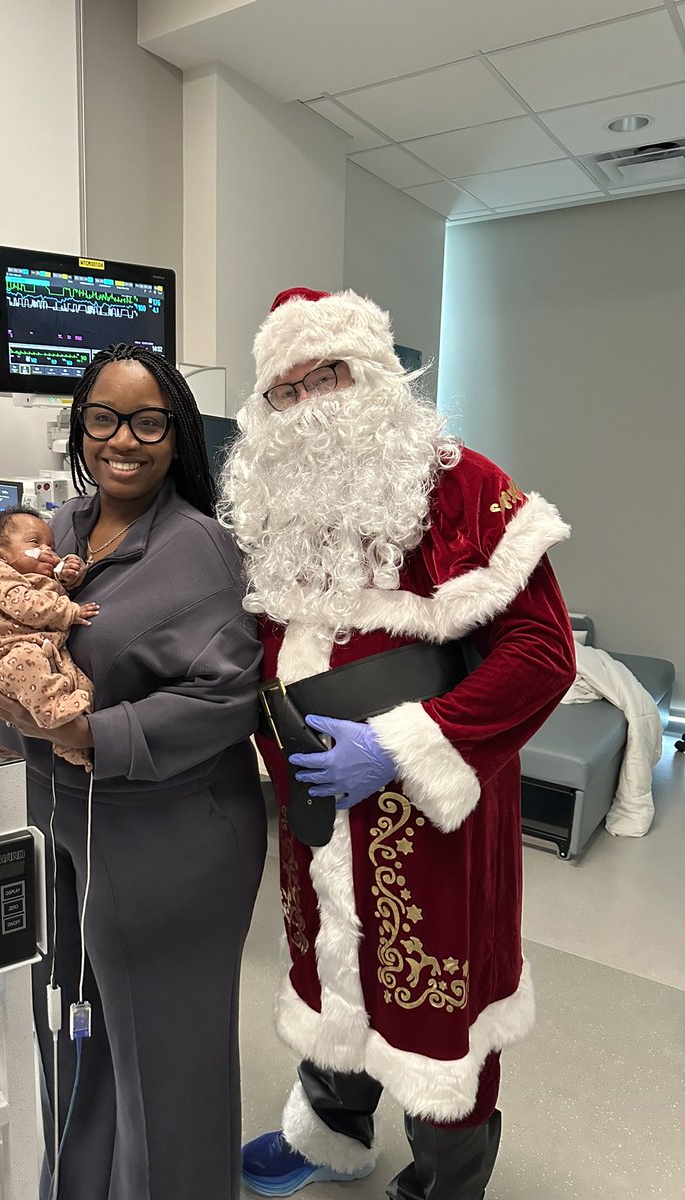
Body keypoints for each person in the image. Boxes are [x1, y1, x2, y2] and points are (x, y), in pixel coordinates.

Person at [218, 287, 576, 1199]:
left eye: (326, 377)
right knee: (331, 980)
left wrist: (403, 745)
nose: (307, 406)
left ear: (373, 375)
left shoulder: (461, 487)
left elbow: (543, 654)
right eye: (285, 391)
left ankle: (443, 1185)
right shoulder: (272, 512)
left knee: (439, 1020)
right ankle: (330, 1135)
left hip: (435, 826)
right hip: (318, 810)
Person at [0, 345, 267, 1200]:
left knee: (164, 1067)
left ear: (177, 434)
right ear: (81, 428)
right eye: (103, 418)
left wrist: (90, 732)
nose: (122, 440)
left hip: (169, 834)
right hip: (57, 818)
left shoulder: (203, 551)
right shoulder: (56, 530)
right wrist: (8, 717)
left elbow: (227, 698)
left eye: (146, 422)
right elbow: (12, 635)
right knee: (67, 1037)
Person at [0, 507, 99, 767]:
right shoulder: (1, 574)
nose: (48, 551)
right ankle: (53, 713)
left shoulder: (39, 576)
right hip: (9, 654)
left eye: (52, 547)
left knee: (79, 682)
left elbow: (51, 587)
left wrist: (69, 573)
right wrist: (70, 611)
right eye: (35, 543)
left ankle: (71, 743)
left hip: (47, 649)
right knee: (28, 661)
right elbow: (27, 606)